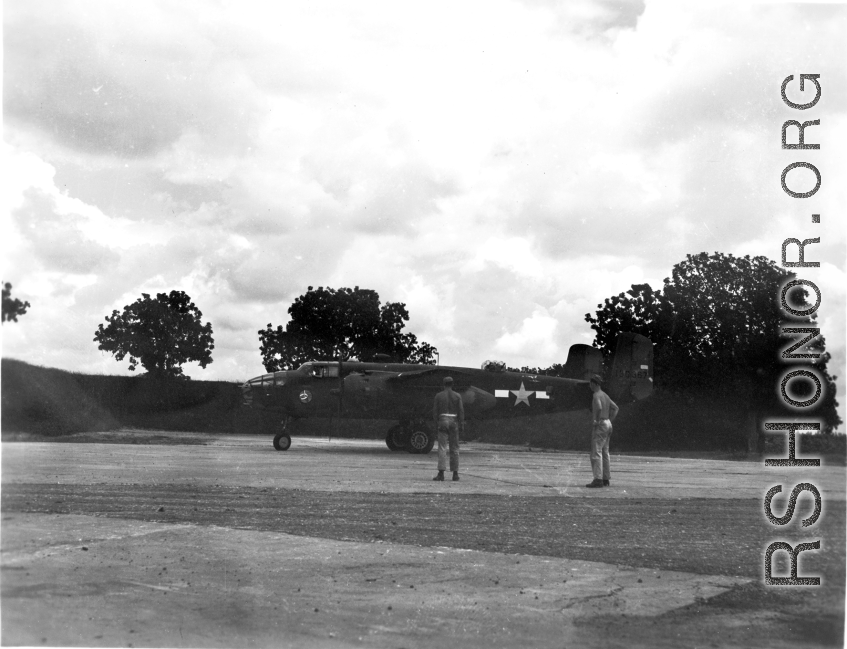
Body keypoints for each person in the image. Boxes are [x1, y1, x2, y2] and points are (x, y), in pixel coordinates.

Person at [585, 374, 619, 488]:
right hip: (608, 423)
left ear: (595, 384)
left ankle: (598, 479)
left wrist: (597, 420)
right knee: (605, 452)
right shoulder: (605, 395)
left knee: (596, 452)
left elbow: (599, 407)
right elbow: (615, 408)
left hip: (601, 424)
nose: (590, 385)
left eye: (591, 383)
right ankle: (606, 478)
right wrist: (609, 420)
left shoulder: (596, 395)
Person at [432, 376, 464, 481]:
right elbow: (461, 411)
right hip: (454, 421)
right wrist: (461, 424)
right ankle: (455, 474)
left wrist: (435, 423)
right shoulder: (457, 396)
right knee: (455, 448)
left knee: (442, 448)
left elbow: (435, 412)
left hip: (442, 420)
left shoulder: (438, 396)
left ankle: (441, 473)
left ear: (444, 384)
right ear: (452, 384)